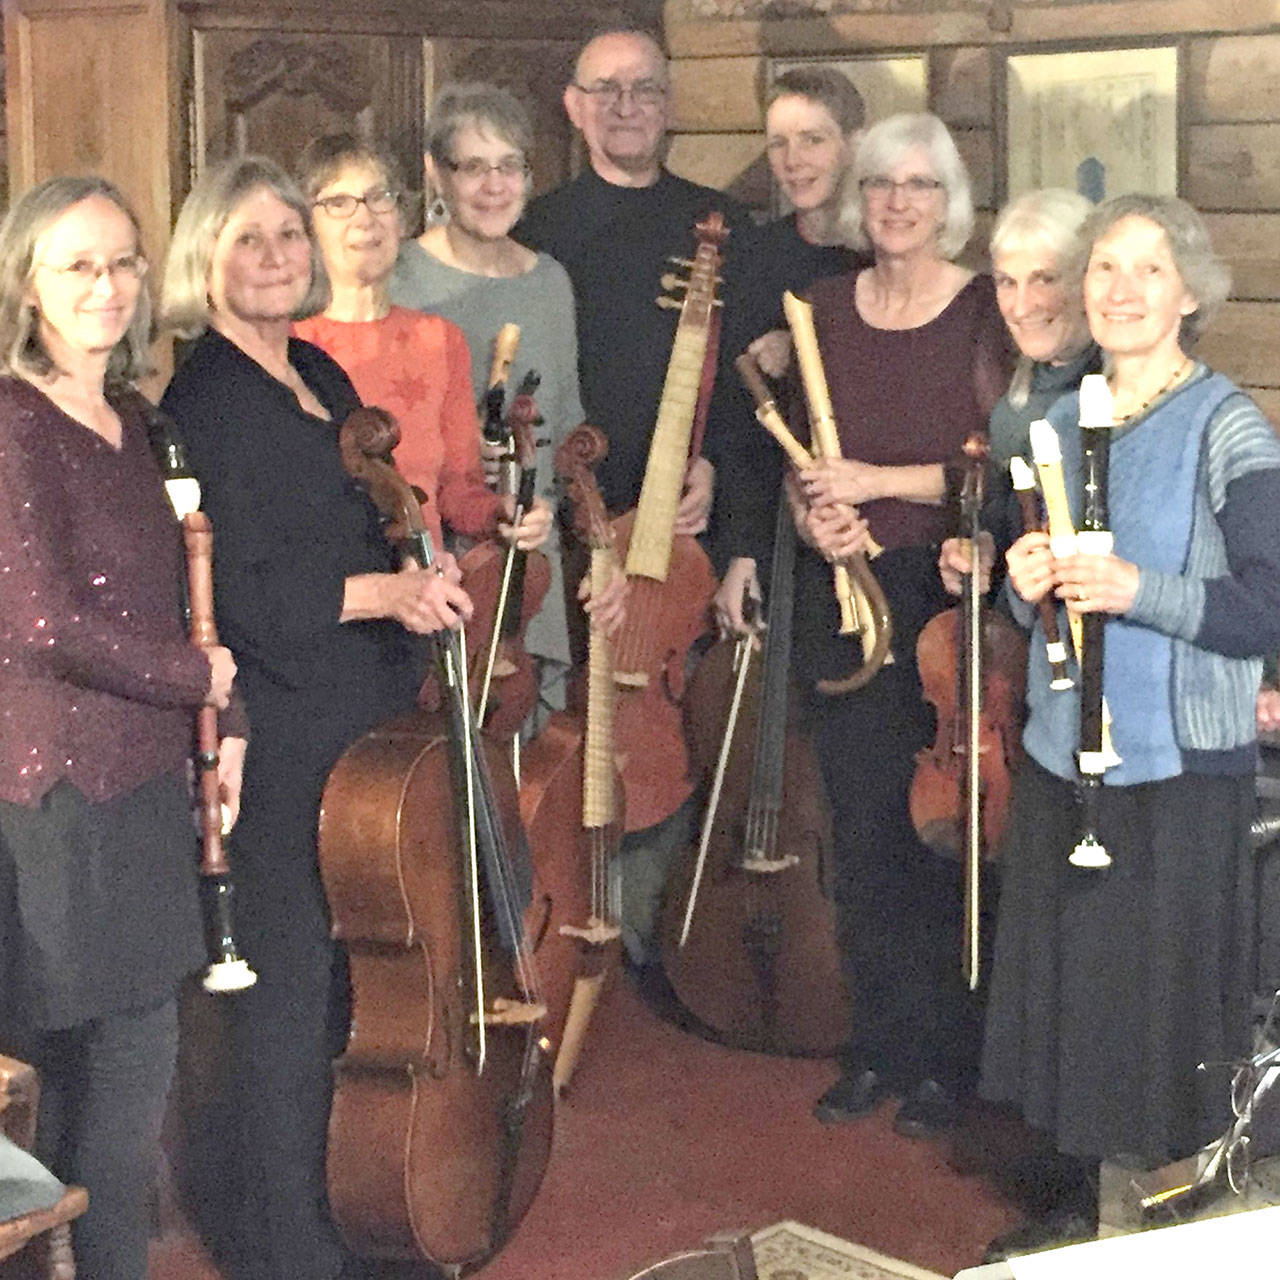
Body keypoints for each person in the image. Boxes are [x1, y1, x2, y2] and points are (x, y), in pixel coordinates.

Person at [159, 155, 472, 1280]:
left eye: (290, 235)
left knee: (359, 986)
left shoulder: (320, 373)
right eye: (249, 239)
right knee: (289, 998)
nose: (277, 257)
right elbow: (227, 587)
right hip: (282, 729)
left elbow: (376, 514)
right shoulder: (199, 403)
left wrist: (419, 567)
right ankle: (283, 1244)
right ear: (204, 261)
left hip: (368, 707)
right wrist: (383, 593)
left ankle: (365, 1212)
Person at [980, 193, 1280, 1258]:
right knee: (1078, 986)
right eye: (1102, 267)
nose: (1117, 289)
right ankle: (1083, 1204)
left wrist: (1132, 586)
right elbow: (1051, 596)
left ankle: (1156, 1221)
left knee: (1150, 1005)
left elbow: (1264, 602)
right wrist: (1022, 583)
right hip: (1069, 751)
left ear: (1187, 293)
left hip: (1175, 760)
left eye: (1146, 270)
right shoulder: (1057, 421)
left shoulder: (1226, 423)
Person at [0, 175, 240, 1280]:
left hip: (145, 779)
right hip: (59, 794)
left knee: (133, 1066)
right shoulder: (12, 418)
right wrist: (193, 673)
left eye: (123, 262)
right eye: (78, 266)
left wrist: (220, 725)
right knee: (76, 1075)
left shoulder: (139, 419)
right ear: (27, 286)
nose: (106, 285)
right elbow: (42, 620)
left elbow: (177, 594)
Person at [792, 113, 1012, 1138]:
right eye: (881, 182)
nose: (897, 201)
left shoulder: (980, 311)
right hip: (846, 585)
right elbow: (802, 461)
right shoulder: (824, 309)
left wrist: (871, 481)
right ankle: (876, 1044)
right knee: (865, 827)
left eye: (920, 185)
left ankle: (943, 1060)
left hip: (941, 593)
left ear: (947, 201)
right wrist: (815, 512)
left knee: (942, 832)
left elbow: (998, 466)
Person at [515, 26, 752, 964]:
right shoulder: (538, 228)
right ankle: (559, 917)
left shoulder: (719, 226)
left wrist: (715, 469)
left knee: (661, 723)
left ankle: (647, 933)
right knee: (566, 718)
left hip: (675, 532)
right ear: (572, 105)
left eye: (644, 90)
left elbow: (738, 382)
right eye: (604, 90)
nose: (624, 108)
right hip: (569, 517)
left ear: (671, 105)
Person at [290, 131, 554, 731]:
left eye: (381, 197)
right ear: (304, 224)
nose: (367, 218)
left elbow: (458, 491)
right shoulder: (291, 348)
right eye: (339, 202)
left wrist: (505, 512)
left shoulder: (438, 339)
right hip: (339, 621)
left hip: (430, 617)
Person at [385, 83, 582, 719]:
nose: (495, 186)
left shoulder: (551, 282)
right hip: (438, 562)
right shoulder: (398, 278)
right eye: (473, 166)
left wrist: (553, 516)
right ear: (435, 175)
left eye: (510, 166)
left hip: (529, 564)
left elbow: (565, 433)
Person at [716, 64, 869, 633]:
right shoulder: (756, 258)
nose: (793, 159)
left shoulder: (882, 256)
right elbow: (741, 425)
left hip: (874, 517)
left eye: (812, 139)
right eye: (778, 143)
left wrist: (809, 345)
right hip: (784, 524)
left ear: (854, 145)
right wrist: (745, 550)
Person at [938, 187, 1098, 592]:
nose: (1021, 306)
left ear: (1088, 282)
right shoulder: (1010, 412)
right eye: (1007, 282)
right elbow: (1004, 525)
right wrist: (981, 550)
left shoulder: (1125, 392)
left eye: (1044, 279)